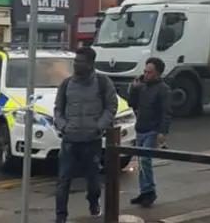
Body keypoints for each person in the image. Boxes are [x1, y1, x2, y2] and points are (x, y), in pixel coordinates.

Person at [53, 46, 118, 223]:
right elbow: (58, 109)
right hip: (69, 140)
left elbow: (111, 107)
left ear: (90, 64)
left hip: (91, 141)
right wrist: (63, 126)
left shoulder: (103, 82)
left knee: (93, 180)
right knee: (63, 181)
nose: (76, 65)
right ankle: (60, 217)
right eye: (75, 61)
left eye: (80, 62)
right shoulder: (66, 84)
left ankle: (93, 201)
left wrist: (99, 126)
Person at [128, 57, 172, 207]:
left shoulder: (163, 89)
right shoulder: (143, 87)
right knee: (141, 162)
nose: (146, 74)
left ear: (158, 73)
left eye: (150, 72)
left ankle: (150, 192)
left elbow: (166, 112)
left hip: (152, 130)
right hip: (141, 128)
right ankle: (145, 191)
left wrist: (162, 131)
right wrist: (134, 89)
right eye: (145, 71)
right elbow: (132, 104)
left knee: (145, 160)